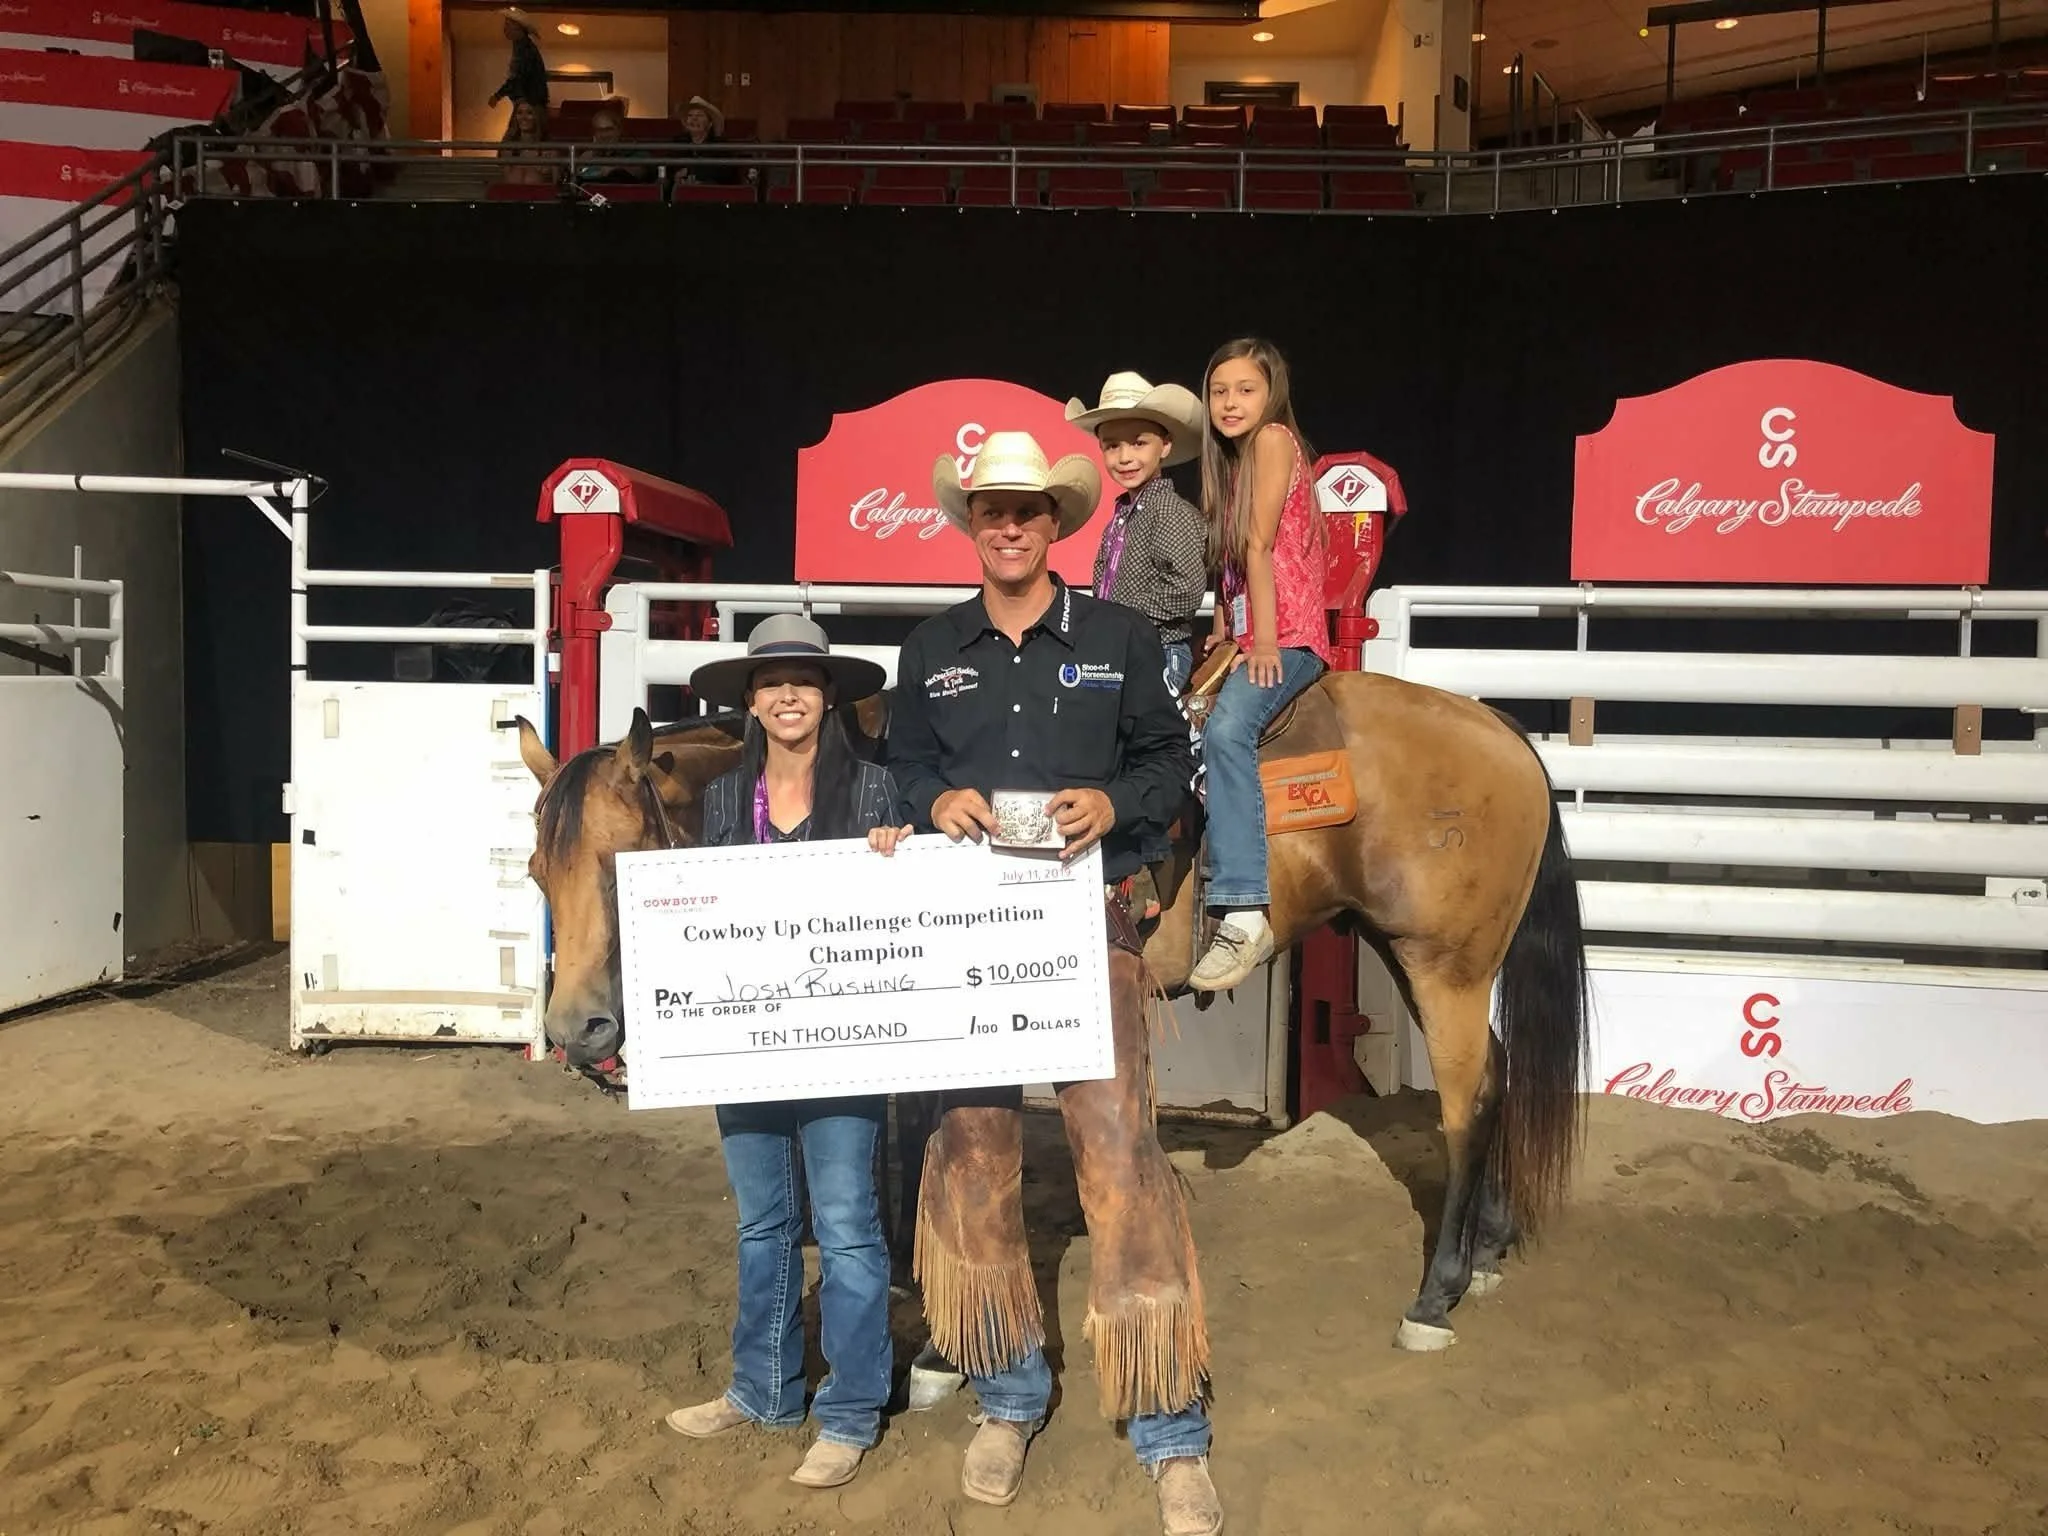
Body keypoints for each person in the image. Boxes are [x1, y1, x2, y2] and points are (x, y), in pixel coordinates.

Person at [887, 431, 1223, 1536]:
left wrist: (1111, 807)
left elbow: (1167, 765)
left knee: (1121, 1154)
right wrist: (932, 800)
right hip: (970, 944)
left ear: (1056, 521)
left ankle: (1168, 1423)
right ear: (971, 523)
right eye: (991, 509)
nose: (1010, 524)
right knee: (974, 1152)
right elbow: (907, 762)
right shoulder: (929, 647)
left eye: (1028, 509)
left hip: (1093, 929)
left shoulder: (1121, 638)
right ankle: (1008, 1395)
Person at [662, 613, 914, 1491]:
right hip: (748, 1046)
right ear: (750, 703)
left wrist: (900, 852)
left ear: (829, 695)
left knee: (846, 1229)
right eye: (771, 684)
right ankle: (762, 1389)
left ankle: (848, 1411)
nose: (787, 696)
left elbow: (909, 916)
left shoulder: (880, 792)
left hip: (844, 1049)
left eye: (803, 681)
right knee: (762, 1223)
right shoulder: (728, 800)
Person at [1188, 338, 1333, 994]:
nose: (1230, 403)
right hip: (1254, 634)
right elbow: (1233, 560)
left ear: (1271, 393)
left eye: (1244, 389)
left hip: (1290, 635)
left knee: (1227, 731)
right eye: (1220, 391)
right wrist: (1224, 628)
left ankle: (1245, 907)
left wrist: (1267, 642)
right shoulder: (1234, 462)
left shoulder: (1273, 440)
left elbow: (1261, 544)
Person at [1065, 371, 1210, 695]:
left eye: (1139, 443)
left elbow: (1186, 588)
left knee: (1147, 735)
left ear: (1166, 445)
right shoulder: (1122, 518)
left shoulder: (1169, 510)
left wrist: (1119, 618)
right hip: (1122, 651)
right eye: (1112, 446)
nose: (1125, 457)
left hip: (1159, 652)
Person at [487, 10, 549, 140]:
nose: (505, 29)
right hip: (529, 104)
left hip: (530, 104)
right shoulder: (524, 48)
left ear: (518, 28)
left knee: (516, 140)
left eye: (508, 25)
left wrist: (498, 96)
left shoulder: (524, 49)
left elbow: (517, 78)